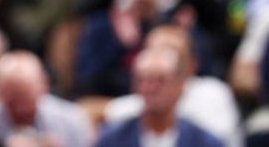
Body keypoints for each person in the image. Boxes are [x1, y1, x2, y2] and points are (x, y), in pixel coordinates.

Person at [0, 51, 92, 147]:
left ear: (44, 87)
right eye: (13, 100)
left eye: (26, 100)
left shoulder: (72, 121)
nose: (20, 108)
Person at [96, 46, 224, 147]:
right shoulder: (112, 139)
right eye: (144, 80)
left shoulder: (205, 143)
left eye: (160, 80)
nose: (151, 89)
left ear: (180, 86)